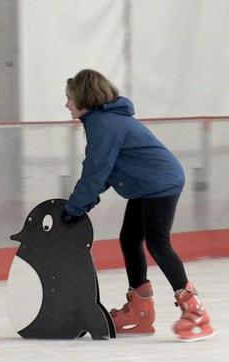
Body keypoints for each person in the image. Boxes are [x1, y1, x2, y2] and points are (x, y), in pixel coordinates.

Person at [61, 69, 215, 341]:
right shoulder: (105, 122)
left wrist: (74, 209)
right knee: (130, 239)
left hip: (159, 183)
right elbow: (106, 170)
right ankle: (140, 310)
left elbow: (95, 171)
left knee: (157, 242)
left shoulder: (104, 125)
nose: (66, 105)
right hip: (146, 184)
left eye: (69, 98)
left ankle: (195, 310)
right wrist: (82, 204)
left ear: (84, 99)